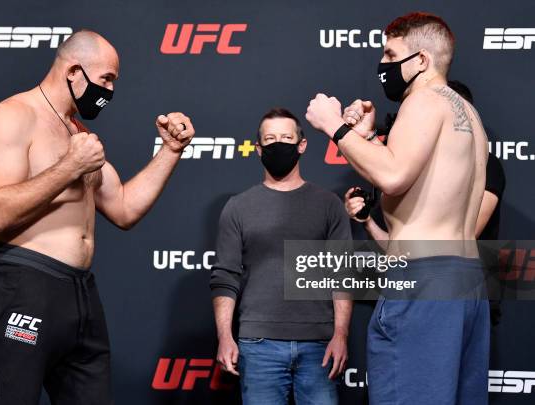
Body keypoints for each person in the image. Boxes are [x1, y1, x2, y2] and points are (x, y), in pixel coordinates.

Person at [0, 30, 195, 404]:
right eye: (106, 79)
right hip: (24, 286)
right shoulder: (12, 116)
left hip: (79, 293)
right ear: (74, 71)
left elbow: (124, 209)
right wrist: (70, 166)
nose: (109, 90)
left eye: (114, 81)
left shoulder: (78, 132)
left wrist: (170, 150)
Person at [305, 12, 489, 405]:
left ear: (421, 60)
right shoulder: (469, 115)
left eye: (391, 54)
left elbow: (393, 176)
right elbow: (420, 182)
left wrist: (333, 126)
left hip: (422, 282)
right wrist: (368, 138)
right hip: (466, 280)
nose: (384, 65)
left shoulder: (422, 100)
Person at [210, 108, 352, 405]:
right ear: (258, 149)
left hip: (319, 345)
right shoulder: (238, 207)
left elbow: (342, 274)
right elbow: (225, 276)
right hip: (258, 344)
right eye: (270, 139)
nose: (279, 145)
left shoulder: (328, 205)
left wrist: (341, 335)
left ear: (302, 145)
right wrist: (225, 336)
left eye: (286, 138)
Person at [344, 79, 506, 324]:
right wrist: (368, 223)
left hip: (454, 293)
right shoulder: (416, 170)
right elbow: (402, 247)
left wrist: (338, 130)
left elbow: (459, 237)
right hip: (411, 291)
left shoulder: (486, 164)